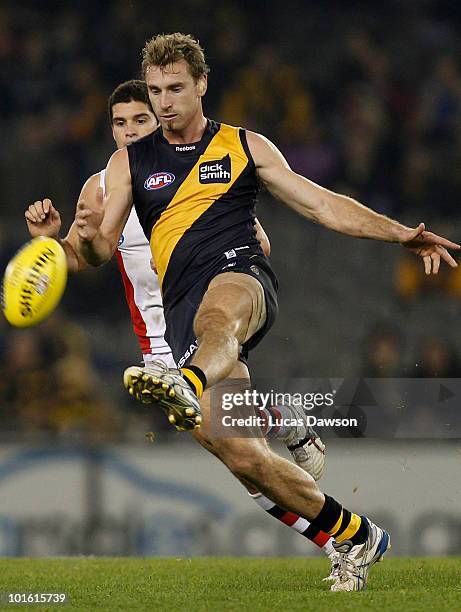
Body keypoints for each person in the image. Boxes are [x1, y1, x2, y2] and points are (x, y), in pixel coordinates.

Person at [67, 34, 459, 590]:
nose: (163, 103)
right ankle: (355, 537)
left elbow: (320, 203)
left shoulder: (244, 147)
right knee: (248, 461)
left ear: (202, 85)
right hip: (180, 309)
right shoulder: (128, 163)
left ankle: (188, 379)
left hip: (240, 277)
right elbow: (101, 250)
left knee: (219, 319)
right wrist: (79, 240)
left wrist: (400, 234)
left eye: (176, 89)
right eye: (155, 91)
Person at [25, 79, 338, 576]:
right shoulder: (102, 187)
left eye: (140, 120)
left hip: (204, 333)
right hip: (157, 352)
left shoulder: (192, 177)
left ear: (160, 120)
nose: (130, 132)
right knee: (244, 465)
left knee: (244, 459)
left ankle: (344, 539)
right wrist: (49, 243)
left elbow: (260, 247)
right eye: (120, 123)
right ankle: (283, 421)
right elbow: (79, 258)